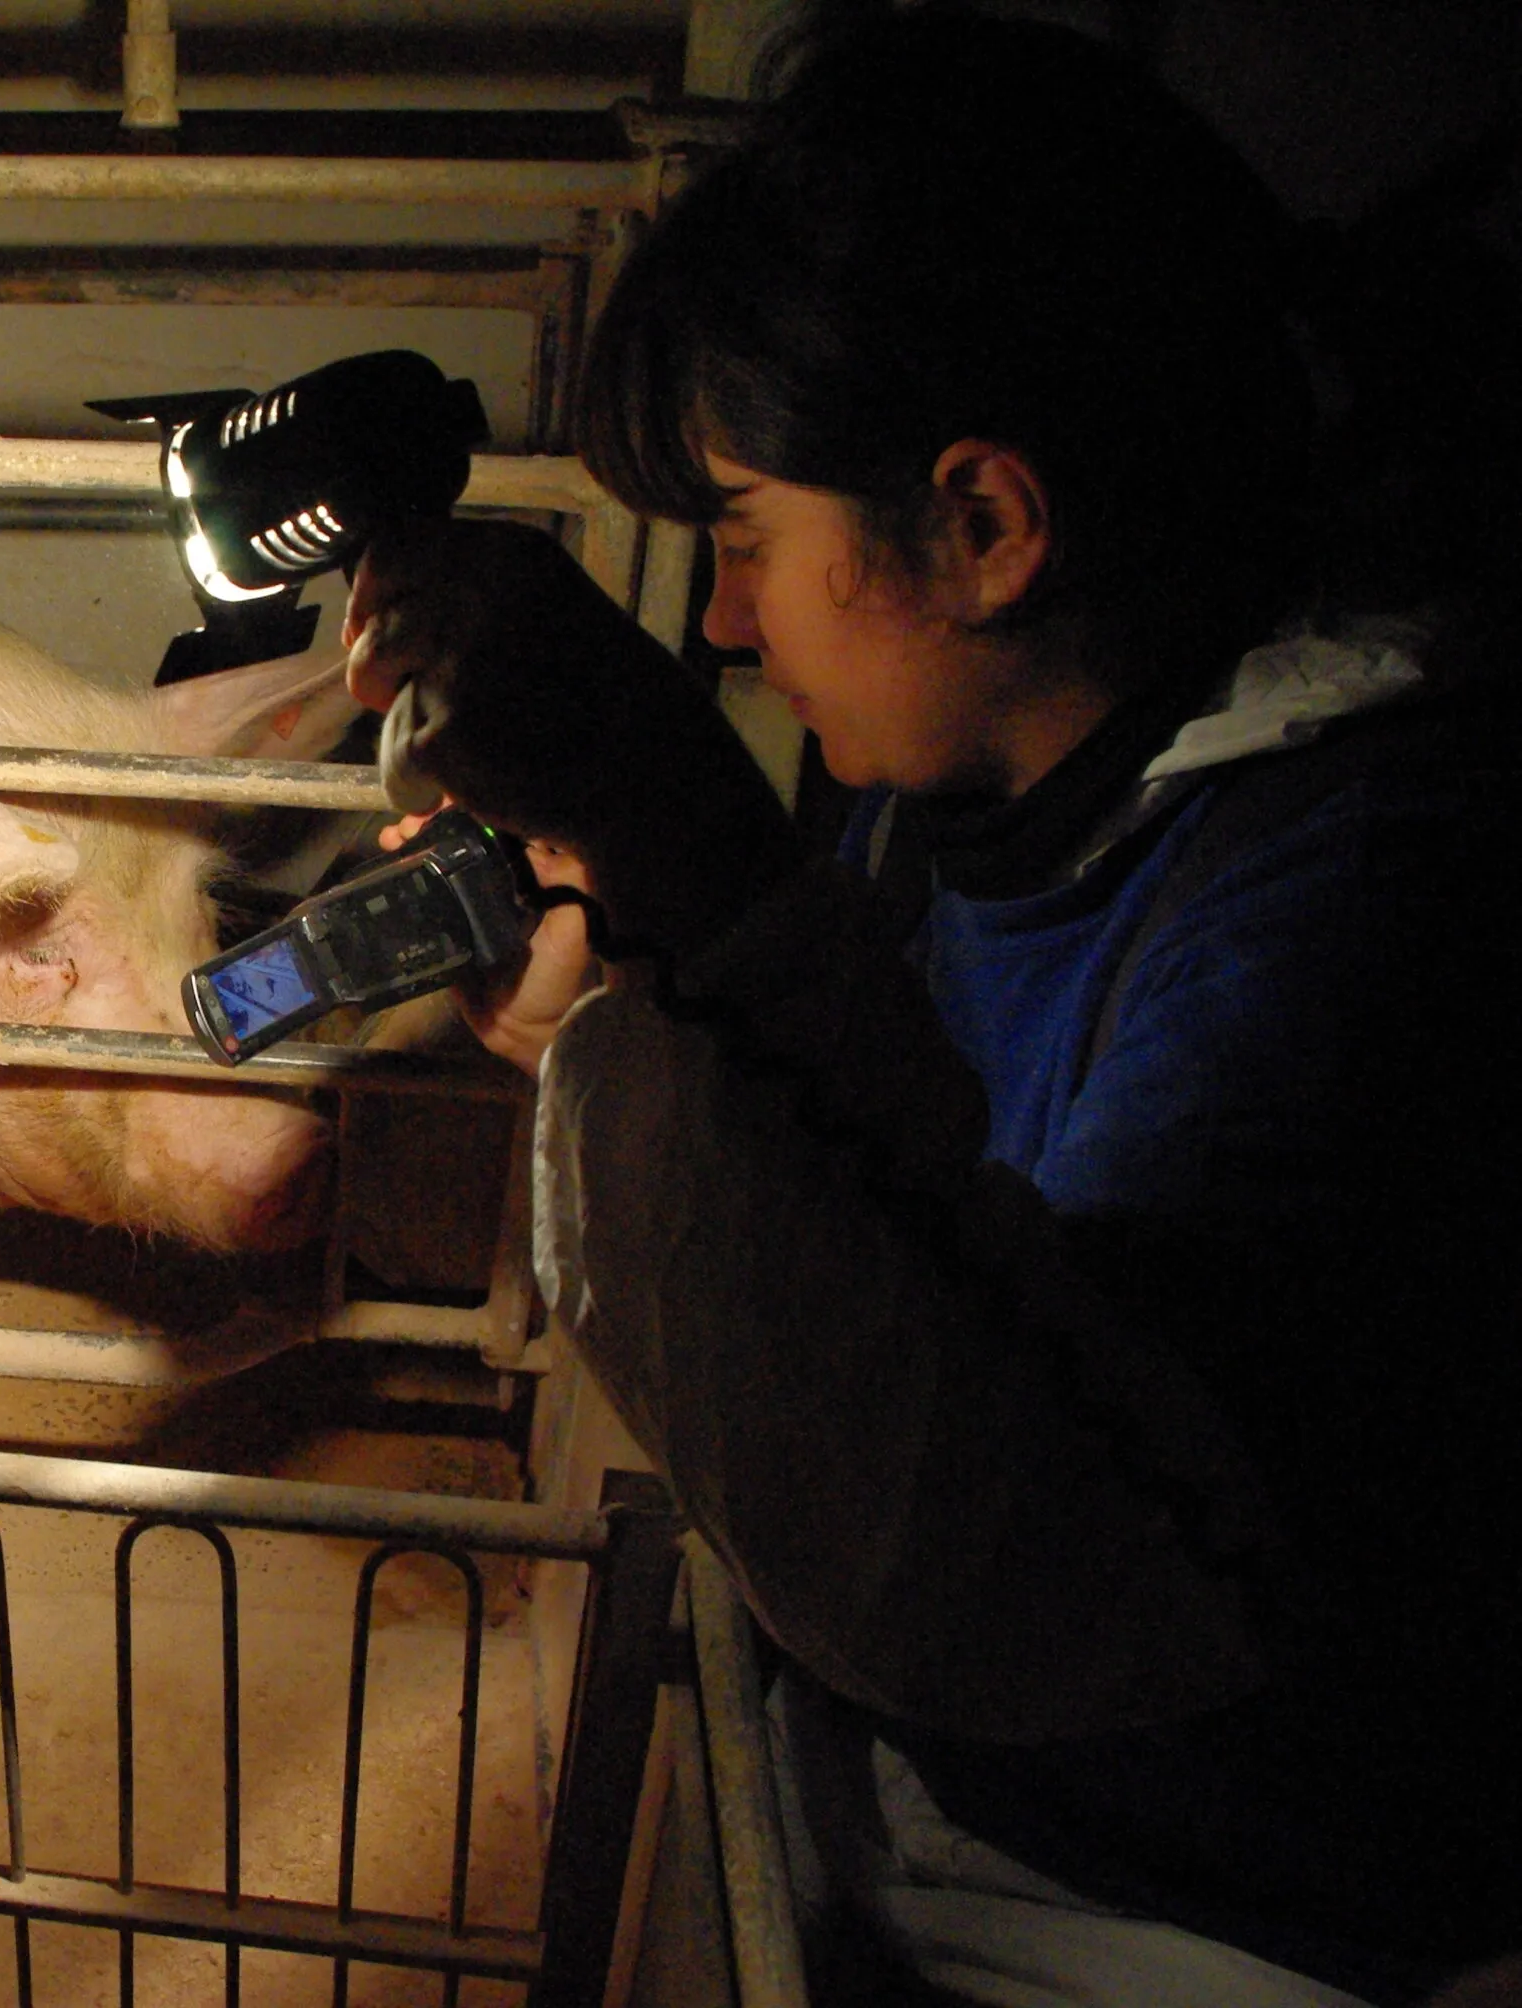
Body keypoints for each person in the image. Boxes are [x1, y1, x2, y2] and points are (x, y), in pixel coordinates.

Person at [339, 12, 1522, 2004]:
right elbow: (885, 1141)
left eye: (743, 542)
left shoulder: (1349, 911)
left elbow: (1037, 1549)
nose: (720, 622)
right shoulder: (1003, 797)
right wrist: (597, 997)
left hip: (1244, 1922)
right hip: (1001, 1814)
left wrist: (688, 853)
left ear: (983, 526)